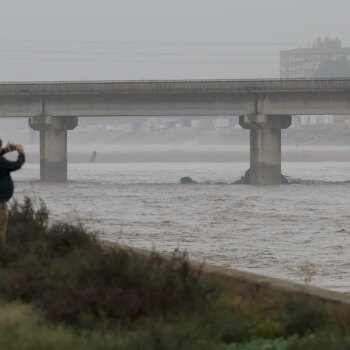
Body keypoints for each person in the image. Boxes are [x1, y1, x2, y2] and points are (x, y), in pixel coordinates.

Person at [0, 140, 25, 245]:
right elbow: (16, 165)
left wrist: (4, 151)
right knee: (1, 232)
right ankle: (3, 257)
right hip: (0, 203)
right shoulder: (1, 162)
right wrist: (21, 153)